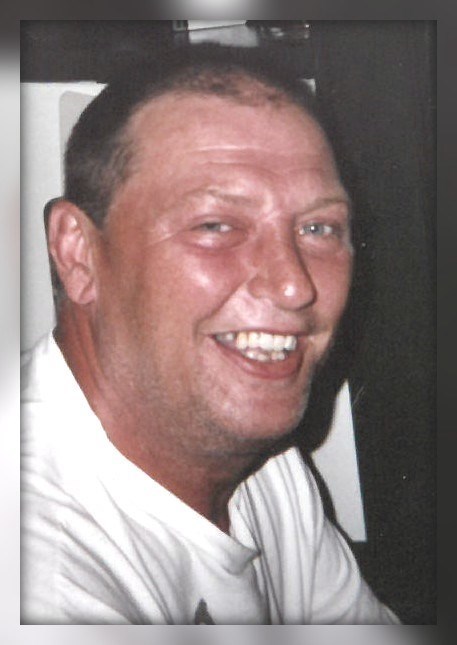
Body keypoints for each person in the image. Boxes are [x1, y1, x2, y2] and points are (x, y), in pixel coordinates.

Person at [21, 44, 399, 625]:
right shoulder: (44, 582)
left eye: (319, 228)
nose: (293, 285)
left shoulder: (254, 453)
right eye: (217, 225)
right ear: (78, 254)